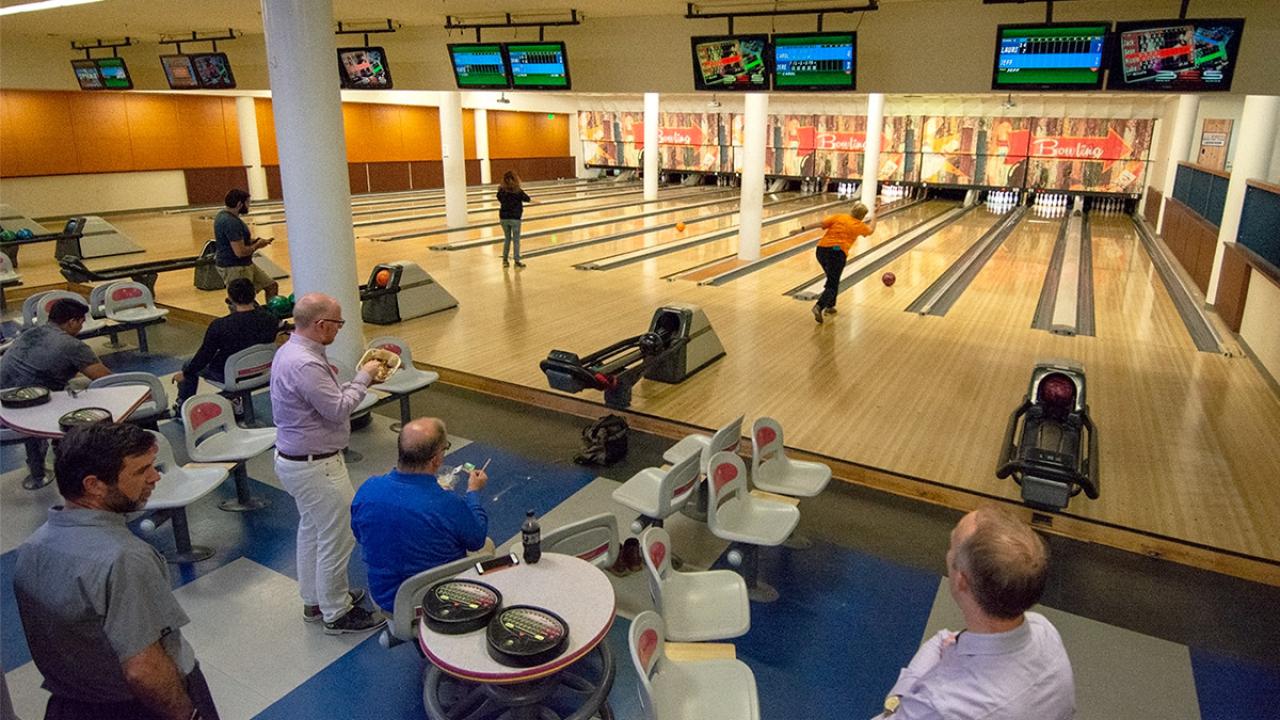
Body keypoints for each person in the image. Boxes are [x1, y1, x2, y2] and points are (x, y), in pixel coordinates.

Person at [12, 422, 220, 720]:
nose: (155, 477)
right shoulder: (125, 559)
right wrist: (189, 715)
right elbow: (143, 670)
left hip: (71, 705)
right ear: (94, 485)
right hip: (139, 708)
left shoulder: (32, 548)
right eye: (140, 471)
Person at [878, 507, 1075, 719]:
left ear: (961, 580)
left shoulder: (941, 707)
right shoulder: (1044, 631)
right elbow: (946, 641)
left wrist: (897, 702)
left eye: (952, 546)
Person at [270, 292, 386, 635]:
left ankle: (315, 599)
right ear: (321, 325)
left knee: (313, 530)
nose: (339, 329)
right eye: (337, 323)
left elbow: (327, 400)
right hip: (316, 465)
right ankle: (336, 611)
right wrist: (364, 377)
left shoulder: (291, 351)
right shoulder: (305, 363)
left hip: (297, 460)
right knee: (339, 535)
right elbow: (337, 409)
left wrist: (353, 382)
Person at [351, 417, 491, 612]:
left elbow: (360, 535)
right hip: (440, 598)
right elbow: (477, 540)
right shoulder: (448, 502)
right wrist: (473, 493)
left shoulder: (367, 490)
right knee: (488, 547)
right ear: (436, 459)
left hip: (386, 598)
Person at [0, 298, 111, 489]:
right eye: (81, 322)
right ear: (72, 322)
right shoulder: (73, 346)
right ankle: (67, 449)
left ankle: (38, 460)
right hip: (28, 409)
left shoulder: (29, 333)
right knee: (91, 394)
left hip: (4, 400)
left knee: (71, 385)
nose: (81, 327)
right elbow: (105, 379)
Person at [172, 278, 282, 415]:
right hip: (263, 370)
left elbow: (204, 355)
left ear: (230, 298)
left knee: (189, 363)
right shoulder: (270, 319)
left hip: (231, 374)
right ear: (254, 294)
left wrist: (185, 373)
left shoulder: (220, 325)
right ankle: (235, 401)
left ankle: (183, 407)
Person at [811, 200, 876, 324]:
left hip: (821, 250)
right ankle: (819, 306)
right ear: (862, 216)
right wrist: (875, 215)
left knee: (832, 279)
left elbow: (821, 224)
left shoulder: (840, 217)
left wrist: (801, 229)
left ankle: (830, 306)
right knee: (832, 283)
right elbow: (871, 229)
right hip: (837, 253)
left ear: (852, 210)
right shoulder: (859, 225)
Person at [213, 188, 278, 302]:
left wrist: (255, 241)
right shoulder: (231, 222)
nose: (249, 206)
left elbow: (236, 240)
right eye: (247, 203)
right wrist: (257, 245)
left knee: (271, 286)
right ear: (239, 204)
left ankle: (269, 318)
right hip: (235, 267)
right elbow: (240, 252)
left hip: (243, 264)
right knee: (242, 300)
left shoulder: (223, 215)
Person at [496, 170, 535, 268]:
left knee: (507, 239)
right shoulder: (518, 191)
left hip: (503, 218)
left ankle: (505, 261)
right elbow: (528, 199)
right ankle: (517, 261)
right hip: (515, 218)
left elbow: (499, 199)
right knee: (516, 240)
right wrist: (539, 202)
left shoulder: (501, 191)